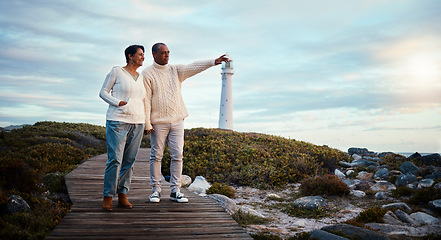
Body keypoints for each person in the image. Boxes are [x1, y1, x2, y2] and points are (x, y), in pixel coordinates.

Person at [143, 43, 228, 203]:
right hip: (158, 122)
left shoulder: (175, 70)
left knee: (178, 155)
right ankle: (156, 191)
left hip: (177, 120)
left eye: (168, 52)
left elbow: (193, 67)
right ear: (154, 54)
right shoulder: (147, 74)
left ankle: (175, 191)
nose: (167, 55)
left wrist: (213, 62)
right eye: (163, 53)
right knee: (156, 156)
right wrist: (147, 123)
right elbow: (146, 100)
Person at [99, 45, 146, 211]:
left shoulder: (141, 77)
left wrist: (147, 123)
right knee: (115, 159)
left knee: (129, 161)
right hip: (117, 120)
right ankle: (108, 196)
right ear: (130, 56)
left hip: (138, 122)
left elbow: (143, 101)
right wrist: (116, 102)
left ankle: (123, 195)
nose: (143, 57)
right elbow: (103, 92)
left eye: (143, 55)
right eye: (140, 54)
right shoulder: (117, 71)